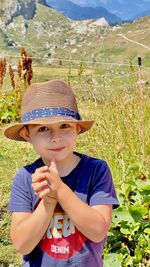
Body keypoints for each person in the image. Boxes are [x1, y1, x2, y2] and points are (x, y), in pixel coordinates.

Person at [4, 79, 119, 267]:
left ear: (77, 128)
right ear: (27, 135)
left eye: (64, 126)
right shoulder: (25, 177)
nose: (55, 137)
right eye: (42, 129)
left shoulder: (96, 170)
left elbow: (98, 231)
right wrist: (48, 202)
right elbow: (22, 244)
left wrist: (61, 191)